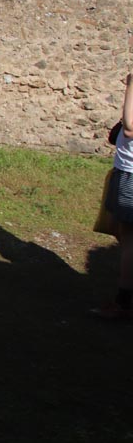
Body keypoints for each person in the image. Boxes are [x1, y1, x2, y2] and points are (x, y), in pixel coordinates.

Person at [93, 72, 133, 319]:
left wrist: (131, 85)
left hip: (131, 176)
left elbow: (129, 128)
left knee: (130, 241)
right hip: (125, 173)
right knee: (124, 236)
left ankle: (124, 303)